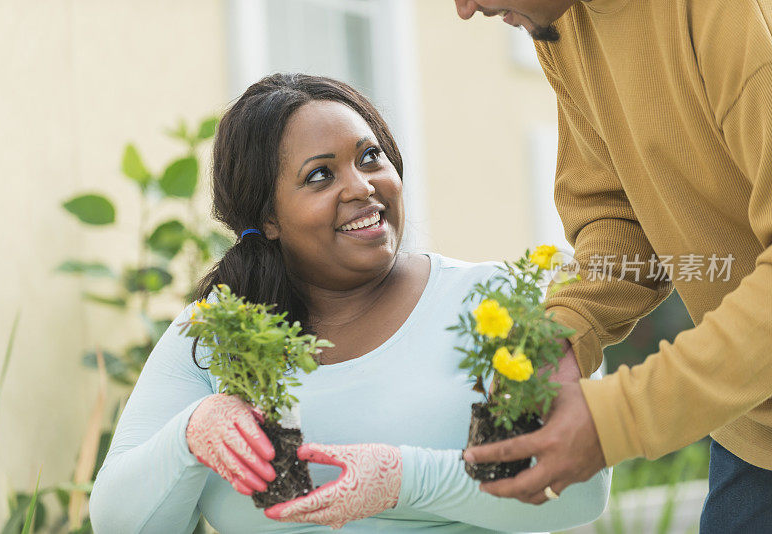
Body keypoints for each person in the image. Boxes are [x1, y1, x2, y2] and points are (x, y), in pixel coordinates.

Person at [88, 73, 610, 533]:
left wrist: (405, 480)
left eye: (370, 157)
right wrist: (189, 435)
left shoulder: (508, 299)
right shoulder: (217, 330)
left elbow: (581, 490)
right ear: (267, 217)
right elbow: (120, 524)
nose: (362, 187)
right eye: (320, 175)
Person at [453, 0, 772, 531]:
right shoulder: (561, 21)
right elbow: (617, 215)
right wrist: (561, 334)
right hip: (753, 426)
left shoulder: (733, 18)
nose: (464, 9)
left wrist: (614, 421)